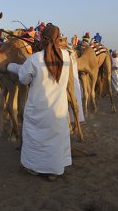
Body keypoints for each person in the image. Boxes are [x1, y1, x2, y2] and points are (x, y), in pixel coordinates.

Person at [7, 24, 71, 182]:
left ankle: (35, 168)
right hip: (58, 108)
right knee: (55, 138)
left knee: (36, 137)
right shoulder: (67, 56)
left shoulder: (35, 59)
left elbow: (23, 79)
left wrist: (11, 66)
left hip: (38, 109)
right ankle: (54, 170)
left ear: (42, 38)